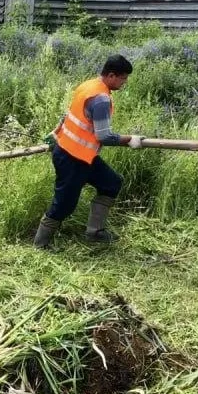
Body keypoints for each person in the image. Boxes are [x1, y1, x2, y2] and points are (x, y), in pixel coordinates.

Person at [33, 54, 143, 249]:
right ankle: (41, 244)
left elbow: (68, 115)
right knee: (64, 205)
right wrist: (130, 140)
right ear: (111, 75)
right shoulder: (100, 99)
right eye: (123, 78)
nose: (124, 83)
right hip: (71, 158)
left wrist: (56, 132)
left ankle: (95, 233)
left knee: (111, 183)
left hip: (82, 155)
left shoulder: (88, 85)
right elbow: (104, 137)